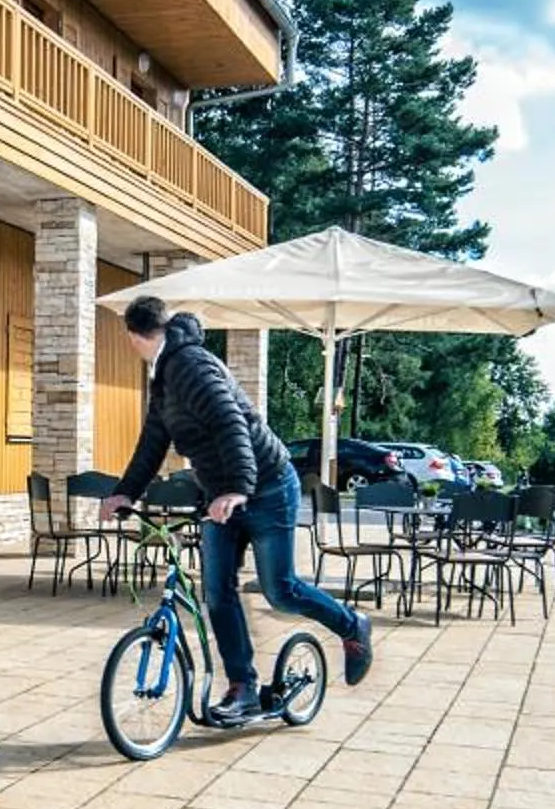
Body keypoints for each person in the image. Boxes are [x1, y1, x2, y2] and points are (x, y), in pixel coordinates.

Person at [100, 297, 372, 719]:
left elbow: (233, 423)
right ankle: (242, 686)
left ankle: (352, 626)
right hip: (221, 496)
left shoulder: (193, 366)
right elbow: (153, 440)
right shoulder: (165, 376)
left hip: (266, 487)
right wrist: (125, 492)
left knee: (280, 590)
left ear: (133, 336)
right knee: (217, 592)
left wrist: (240, 488)